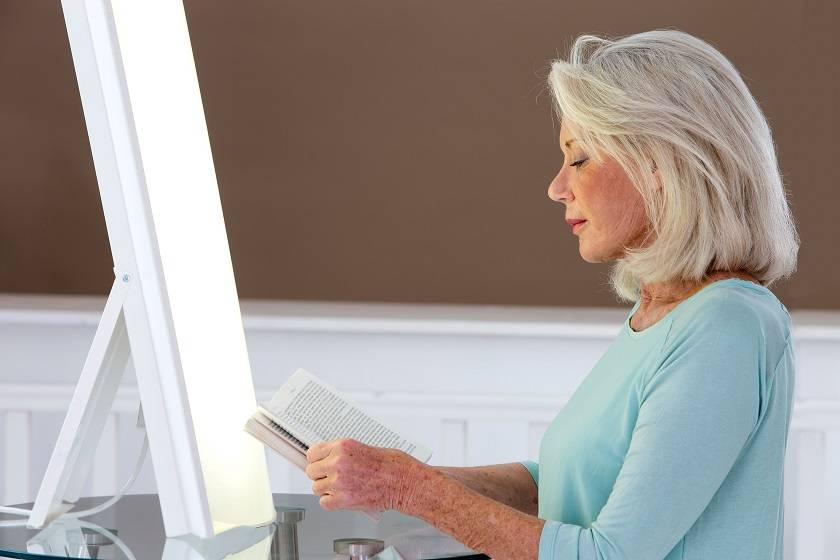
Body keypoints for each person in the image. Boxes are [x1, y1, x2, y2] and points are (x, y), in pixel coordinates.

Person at [304, 29, 798, 560]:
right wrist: (405, 479)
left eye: (579, 158)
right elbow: (574, 487)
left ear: (660, 167)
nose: (557, 186)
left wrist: (412, 488)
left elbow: (609, 553)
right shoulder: (661, 312)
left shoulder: (725, 326)